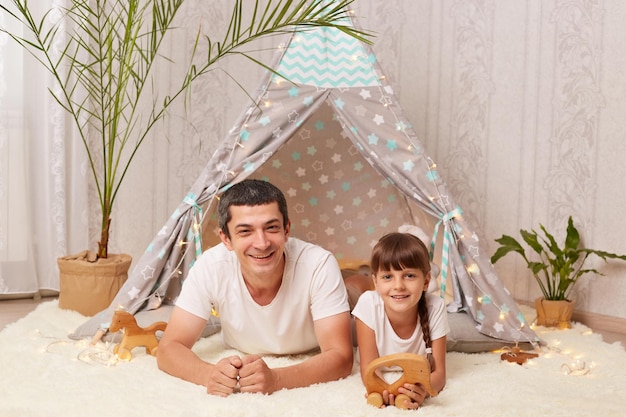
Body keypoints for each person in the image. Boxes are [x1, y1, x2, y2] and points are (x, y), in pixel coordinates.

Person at [157, 179, 353, 396]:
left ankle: (354, 281)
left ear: (286, 230)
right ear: (226, 239)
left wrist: (277, 378)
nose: (261, 243)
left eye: (271, 228)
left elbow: (341, 357)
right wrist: (209, 374)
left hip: (325, 308)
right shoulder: (211, 266)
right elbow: (169, 348)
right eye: (245, 231)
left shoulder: (319, 263)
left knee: (357, 291)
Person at [351, 232, 449, 409]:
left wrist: (422, 391)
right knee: (351, 289)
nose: (398, 286)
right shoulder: (368, 303)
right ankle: (358, 277)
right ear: (376, 281)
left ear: (426, 281)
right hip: (360, 299)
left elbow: (439, 374)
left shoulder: (436, 306)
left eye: (409, 275)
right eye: (387, 277)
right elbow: (368, 368)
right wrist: (382, 389)